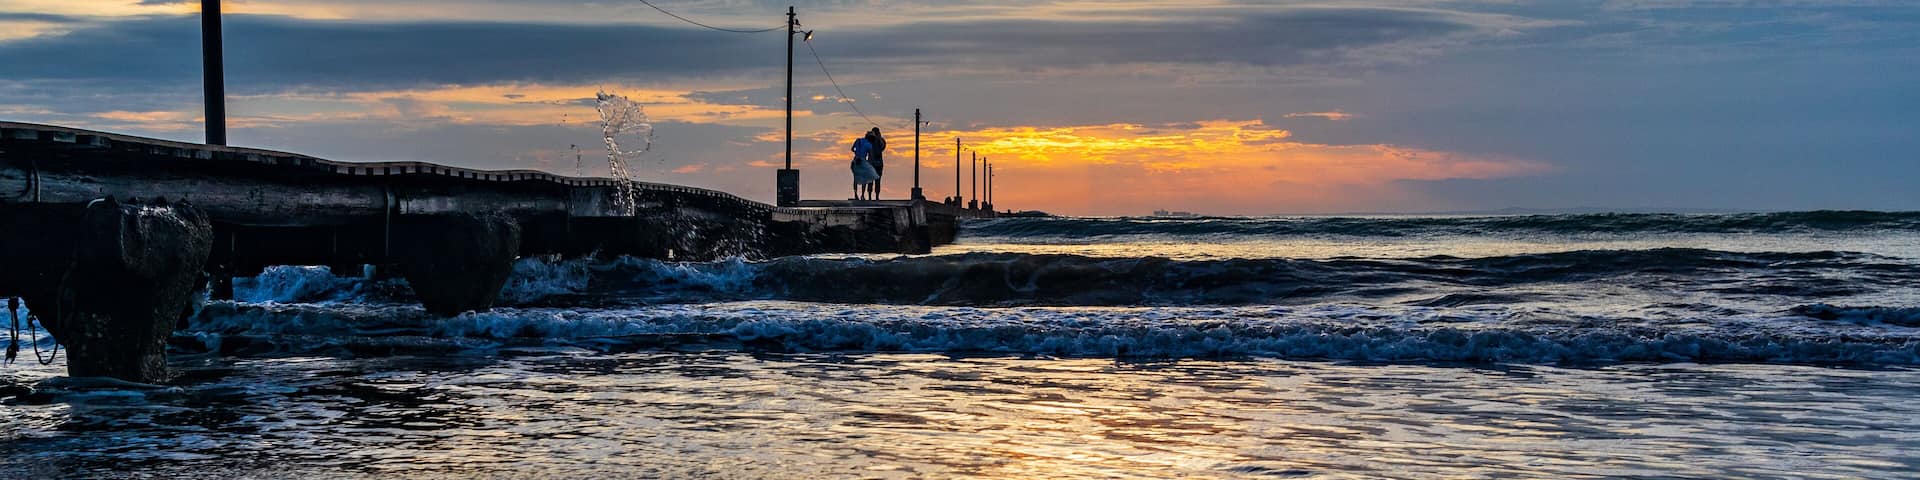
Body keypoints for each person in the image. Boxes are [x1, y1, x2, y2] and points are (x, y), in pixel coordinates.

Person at [850, 135, 877, 200]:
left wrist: (856, 153)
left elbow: (852, 149)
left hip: (856, 160)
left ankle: (855, 194)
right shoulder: (869, 145)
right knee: (864, 179)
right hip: (863, 161)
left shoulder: (858, 140)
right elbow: (871, 155)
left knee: (855, 179)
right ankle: (862, 195)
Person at [864, 128, 886, 199]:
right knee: (871, 181)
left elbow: (882, 147)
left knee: (877, 181)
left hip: (878, 163)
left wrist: (878, 138)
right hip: (872, 163)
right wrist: (867, 136)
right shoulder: (869, 140)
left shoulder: (881, 140)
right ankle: (870, 196)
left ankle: (876, 196)